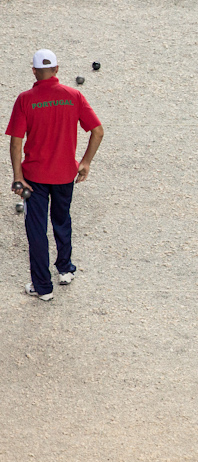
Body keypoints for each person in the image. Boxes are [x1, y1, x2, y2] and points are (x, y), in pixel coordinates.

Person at [6, 49, 104, 301]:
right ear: (57, 69)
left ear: (34, 71)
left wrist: (18, 176)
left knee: (36, 229)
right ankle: (65, 269)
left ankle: (43, 287)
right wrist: (85, 163)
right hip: (64, 175)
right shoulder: (74, 95)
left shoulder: (25, 99)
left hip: (34, 178)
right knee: (62, 219)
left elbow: (16, 143)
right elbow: (98, 131)